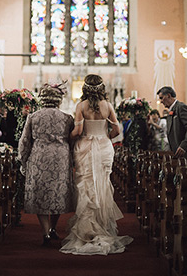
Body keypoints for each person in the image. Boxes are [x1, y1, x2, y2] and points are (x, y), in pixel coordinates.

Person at [60, 74, 133, 256]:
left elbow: (77, 130)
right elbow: (117, 130)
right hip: (103, 147)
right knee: (102, 184)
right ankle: (102, 225)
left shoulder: (81, 106)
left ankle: (87, 229)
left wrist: (67, 139)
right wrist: (104, 138)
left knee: (86, 185)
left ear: (85, 88)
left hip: (85, 146)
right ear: (102, 88)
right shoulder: (108, 106)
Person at [18, 82, 74, 246]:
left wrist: (23, 160)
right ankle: (53, 228)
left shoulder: (33, 117)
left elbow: (25, 141)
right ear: (58, 100)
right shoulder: (67, 118)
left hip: (39, 157)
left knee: (41, 193)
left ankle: (46, 232)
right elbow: (73, 141)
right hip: (61, 157)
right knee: (57, 193)